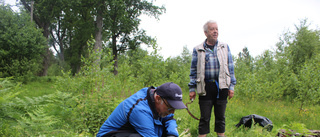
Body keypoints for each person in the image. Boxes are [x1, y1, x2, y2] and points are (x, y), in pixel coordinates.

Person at [188, 20, 237, 137]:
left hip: (222, 86)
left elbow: (230, 67)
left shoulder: (224, 47)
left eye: (216, 29)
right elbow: (193, 70)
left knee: (220, 117)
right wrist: (192, 89)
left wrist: (232, 86)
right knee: (204, 117)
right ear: (206, 33)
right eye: (212, 29)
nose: (215, 31)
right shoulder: (198, 49)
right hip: (205, 87)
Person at [97, 82, 187, 137]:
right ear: (158, 99)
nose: (172, 112)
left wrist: (172, 135)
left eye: (174, 108)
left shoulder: (159, 97)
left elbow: (170, 119)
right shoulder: (140, 109)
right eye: (170, 108)